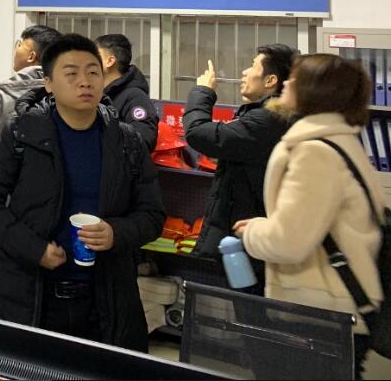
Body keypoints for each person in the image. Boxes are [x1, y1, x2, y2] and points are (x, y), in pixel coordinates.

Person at [0, 34, 164, 350]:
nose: (85, 81)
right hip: (28, 293)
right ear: (48, 83)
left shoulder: (126, 142)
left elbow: (152, 214)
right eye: (71, 73)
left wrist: (117, 232)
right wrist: (33, 248)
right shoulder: (22, 133)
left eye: (93, 72)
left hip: (106, 300)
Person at [235, 54, 386, 379]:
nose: (287, 83)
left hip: (320, 314)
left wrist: (253, 231)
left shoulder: (314, 152)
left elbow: (289, 243)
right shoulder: (341, 141)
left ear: (316, 91)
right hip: (336, 309)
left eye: (296, 78)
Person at [184, 43, 296, 287]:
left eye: (253, 66)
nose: (244, 72)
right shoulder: (266, 116)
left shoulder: (267, 119)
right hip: (244, 237)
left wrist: (203, 92)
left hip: (247, 240)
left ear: (271, 80)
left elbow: (197, 133)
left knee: (243, 301)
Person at [0, 24, 59, 282]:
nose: (15, 50)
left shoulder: (0, 94)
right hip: (49, 208)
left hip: (2, 200)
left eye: (19, 44)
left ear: (31, 55)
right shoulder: (63, 94)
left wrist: (2, 161)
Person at [95, 33, 158, 150]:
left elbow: (144, 138)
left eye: (95, 55)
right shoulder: (94, 93)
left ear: (110, 61)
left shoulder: (135, 97)